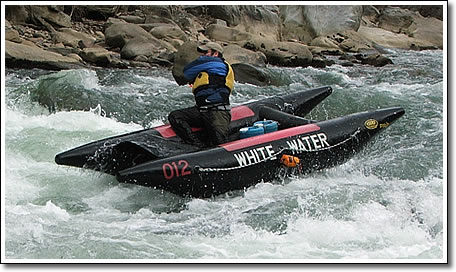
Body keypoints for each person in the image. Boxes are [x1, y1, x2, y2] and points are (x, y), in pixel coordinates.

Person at [168, 41, 234, 148]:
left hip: (217, 113)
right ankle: (196, 145)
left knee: (220, 143)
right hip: (201, 111)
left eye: (205, 52)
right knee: (175, 117)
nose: (202, 55)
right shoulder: (207, 69)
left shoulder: (218, 64)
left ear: (215, 53)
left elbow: (186, 72)